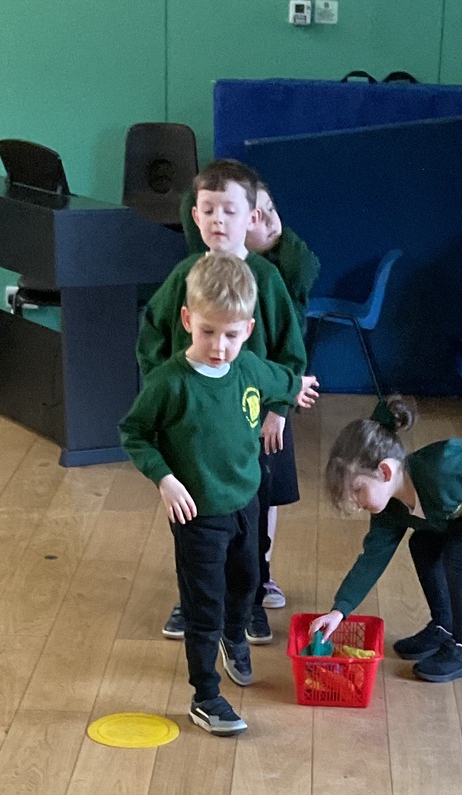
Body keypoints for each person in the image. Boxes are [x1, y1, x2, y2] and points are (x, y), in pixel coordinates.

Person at [121, 254, 317, 735]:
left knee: (247, 582)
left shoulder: (248, 367)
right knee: (202, 605)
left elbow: (280, 380)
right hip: (198, 515)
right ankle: (205, 696)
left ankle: (235, 634)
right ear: (188, 319)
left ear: (247, 330)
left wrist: (296, 389)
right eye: (208, 332)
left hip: (246, 504)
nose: (218, 346)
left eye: (230, 335)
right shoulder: (170, 382)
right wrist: (165, 479)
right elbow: (134, 433)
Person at [141, 159, 306, 646]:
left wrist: (278, 410)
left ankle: (250, 602)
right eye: (208, 210)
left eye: (229, 210)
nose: (218, 220)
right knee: (191, 517)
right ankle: (193, 601)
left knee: (251, 518)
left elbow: (290, 354)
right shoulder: (183, 277)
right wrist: (165, 399)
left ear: (251, 217)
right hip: (192, 431)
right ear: (195, 216)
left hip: (253, 429)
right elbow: (151, 340)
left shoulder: (266, 280)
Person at [309, 398, 462, 682]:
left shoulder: (445, 468)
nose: (357, 502)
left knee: (459, 554)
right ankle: (443, 627)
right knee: (422, 544)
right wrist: (340, 610)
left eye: (358, 490)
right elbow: (372, 559)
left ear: (385, 471)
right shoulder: (389, 511)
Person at [245, 185, 319, 613]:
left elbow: (305, 262)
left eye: (272, 209)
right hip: (235, 405)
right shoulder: (211, 268)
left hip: (274, 405)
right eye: (257, 214)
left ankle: (262, 572)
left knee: (268, 491)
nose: (270, 220)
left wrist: (279, 410)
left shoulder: (281, 272)